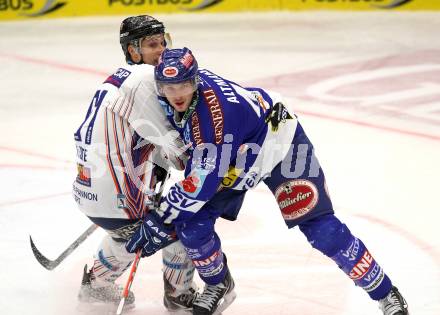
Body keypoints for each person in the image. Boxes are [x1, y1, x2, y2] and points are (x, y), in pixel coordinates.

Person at [125, 47, 410, 315]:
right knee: (191, 225)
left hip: (280, 145)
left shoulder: (212, 119)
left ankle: (386, 293)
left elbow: (201, 184)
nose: (177, 95)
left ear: (196, 82)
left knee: (324, 232)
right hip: (234, 155)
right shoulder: (175, 96)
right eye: (169, 88)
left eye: (184, 86)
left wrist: (160, 220)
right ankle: (218, 284)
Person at [72, 16, 199, 312]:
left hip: (89, 189)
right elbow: (177, 152)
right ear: (133, 51)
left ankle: (97, 286)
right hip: (117, 196)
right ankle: (179, 295)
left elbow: (134, 136)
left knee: (126, 232)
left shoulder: (119, 78)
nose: (162, 50)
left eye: (163, 41)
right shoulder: (144, 81)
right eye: (153, 45)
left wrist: (154, 166)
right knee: (182, 223)